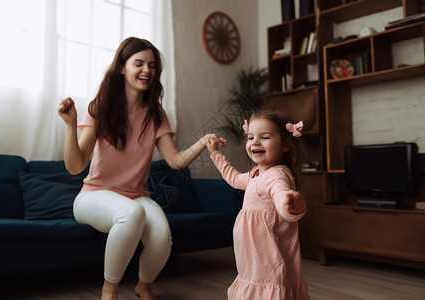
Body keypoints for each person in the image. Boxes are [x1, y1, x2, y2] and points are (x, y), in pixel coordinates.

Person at [58, 37, 216, 300]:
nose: (147, 70)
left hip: (137, 196)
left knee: (163, 238)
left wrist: (203, 141)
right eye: (139, 63)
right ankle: (110, 291)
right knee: (130, 213)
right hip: (93, 196)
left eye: (152, 65)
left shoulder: (156, 114)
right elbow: (75, 167)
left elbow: (175, 161)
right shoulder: (101, 107)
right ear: (122, 67)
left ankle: (143, 286)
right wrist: (71, 125)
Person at [206, 110, 310, 300]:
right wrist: (215, 154)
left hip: (268, 256)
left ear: (286, 144)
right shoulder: (256, 174)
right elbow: (234, 178)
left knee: (269, 288)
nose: (255, 142)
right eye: (251, 137)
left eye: (265, 137)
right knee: (256, 285)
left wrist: (289, 204)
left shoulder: (276, 174)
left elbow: (280, 193)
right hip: (252, 256)